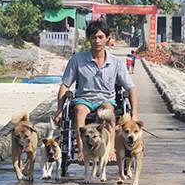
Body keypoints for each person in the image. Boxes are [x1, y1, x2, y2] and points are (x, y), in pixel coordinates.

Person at [55, 20, 139, 163]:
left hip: (106, 100)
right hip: (84, 100)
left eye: (100, 37)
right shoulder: (77, 60)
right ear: (89, 38)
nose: (97, 41)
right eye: (94, 37)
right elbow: (65, 85)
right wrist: (59, 110)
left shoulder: (116, 62)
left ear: (107, 38)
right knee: (79, 110)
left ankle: (111, 150)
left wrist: (135, 114)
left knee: (108, 110)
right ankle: (82, 151)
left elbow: (130, 88)